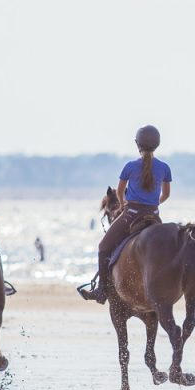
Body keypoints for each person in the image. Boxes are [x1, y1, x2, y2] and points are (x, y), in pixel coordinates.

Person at [79, 125, 171, 303]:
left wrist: (123, 205)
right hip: (154, 215)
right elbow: (166, 195)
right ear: (157, 145)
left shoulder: (129, 166)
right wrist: (153, 204)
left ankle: (101, 290)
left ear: (138, 144)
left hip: (131, 214)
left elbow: (120, 192)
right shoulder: (164, 167)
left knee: (103, 247)